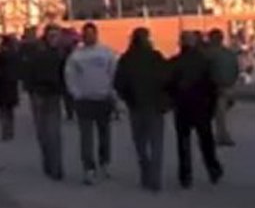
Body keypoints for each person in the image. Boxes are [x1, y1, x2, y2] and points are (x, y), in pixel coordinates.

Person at [114, 27, 172, 192]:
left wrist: (128, 99)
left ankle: (145, 171)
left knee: (140, 143)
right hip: (154, 106)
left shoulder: (126, 59)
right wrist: (165, 101)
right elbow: (167, 79)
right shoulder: (156, 57)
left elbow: (118, 83)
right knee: (156, 144)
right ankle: (155, 178)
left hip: (136, 107)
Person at [168, 32, 224, 188]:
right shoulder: (204, 62)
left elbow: (168, 84)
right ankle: (213, 169)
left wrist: (173, 100)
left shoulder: (174, 62)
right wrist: (211, 106)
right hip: (201, 106)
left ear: (180, 43)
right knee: (206, 140)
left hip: (182, 107)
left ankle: (185, 175)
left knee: (183, 142)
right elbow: (212, 86)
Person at [65, 22, 118, 185]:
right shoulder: (76, 56)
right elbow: (69, 76)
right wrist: (76, 93)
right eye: (86, 34)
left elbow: (114, 73)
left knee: (105, 134)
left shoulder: (107, 53)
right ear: (82, 36)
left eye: (92, 33)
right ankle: (88, 168)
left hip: (103, 99)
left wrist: (112, 93)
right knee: (86, 136)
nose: (89, 37)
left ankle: (104, 163)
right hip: (84, 101)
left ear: (96, 34)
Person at [24, 26, 68, 181]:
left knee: (50, 132)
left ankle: (54, 166)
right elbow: (29, 72)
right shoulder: (46, 53)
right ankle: (51, 164)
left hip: (49, 95)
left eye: (57, 36)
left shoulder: (59, 53)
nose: (55, 39)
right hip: (41, 94)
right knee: (46, 132)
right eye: (52, 36)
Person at [205, 29, 241, 147]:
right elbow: (236, 69)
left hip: (216, 88)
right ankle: (222, 135)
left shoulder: (208, 54)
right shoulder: (229, 53)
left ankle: (222, 136)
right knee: (221, 113)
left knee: (219, 114)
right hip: (229, 86)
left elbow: (206, 71)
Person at [0, 36, 22, 141]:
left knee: (3, 110)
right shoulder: (15, 56)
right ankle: (10, 131)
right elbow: (19, 72)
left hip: (0, 86)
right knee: (10, 111)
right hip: (11, 86)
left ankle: (5, 131)